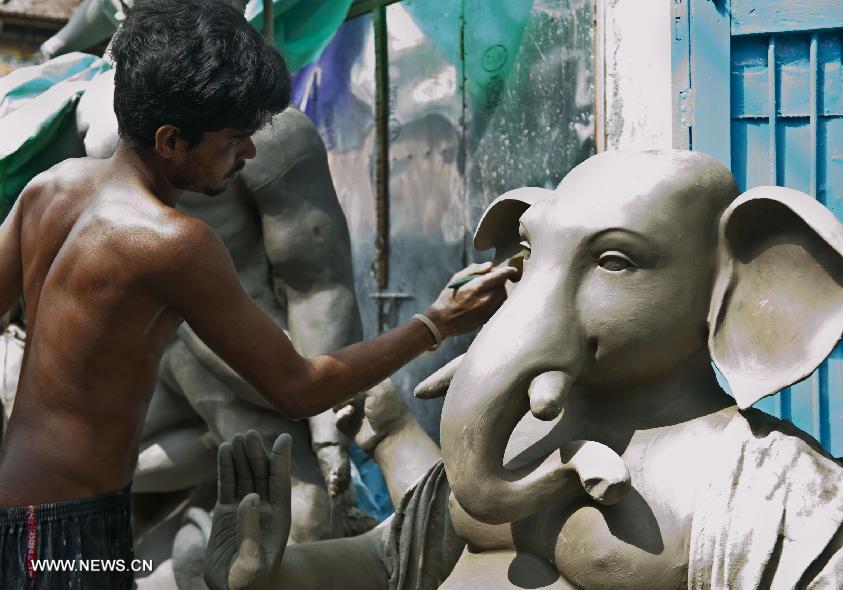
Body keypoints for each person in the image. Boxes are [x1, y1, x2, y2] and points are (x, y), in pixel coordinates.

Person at [0, 0, 514, 587]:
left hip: (28, 506)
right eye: (234, 140)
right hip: (68, 528)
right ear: (170, 140)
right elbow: (297, 387)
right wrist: (437, 324)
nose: (246, 154)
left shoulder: (49, 189)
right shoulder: (174, 242)